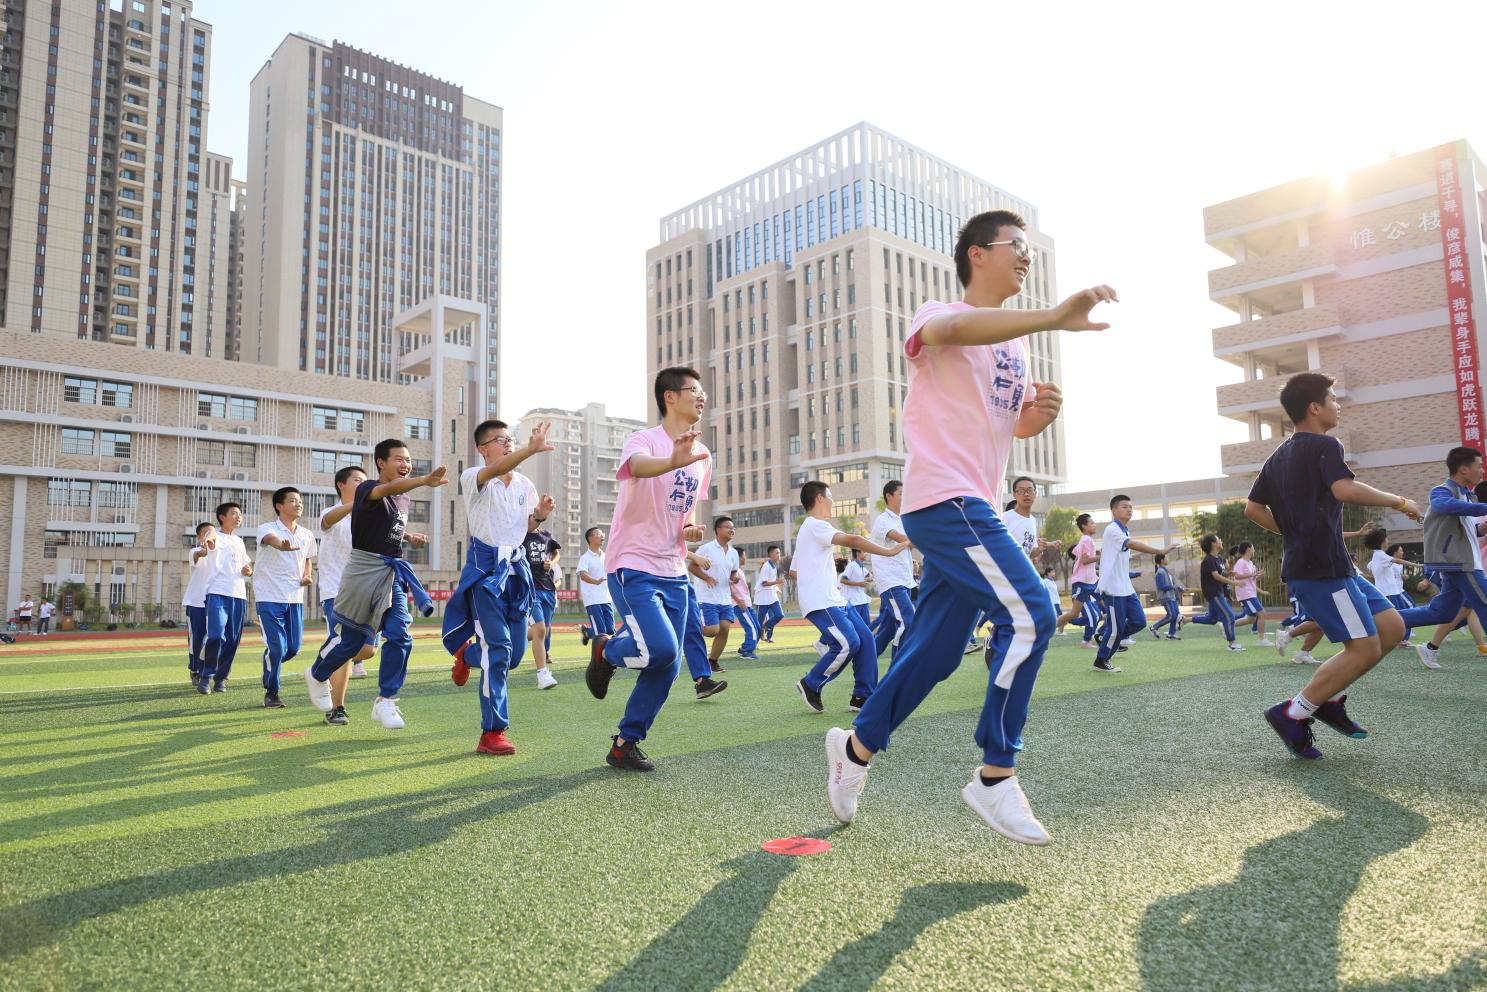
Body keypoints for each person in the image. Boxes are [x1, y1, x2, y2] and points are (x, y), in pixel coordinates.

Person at [824, 209, 1114, 845]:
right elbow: (955, 327)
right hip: (945, 502)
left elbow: (998, 428)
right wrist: (1053, 316)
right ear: (978, 254)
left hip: (968, 501)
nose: (1026, 258)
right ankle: (994, 776)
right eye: (1017, 247)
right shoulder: (936, 313)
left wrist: (1034, 418)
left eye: (1030, 250)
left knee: (934, 651)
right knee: (1034, 614)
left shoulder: (1014, 344)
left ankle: (856, 746)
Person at [1245, 372, 1420, 759]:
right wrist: (1398, 500)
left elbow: (1252, 509)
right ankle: (1295, 711)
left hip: (1337, 567)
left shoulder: (1277, 457)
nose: (1337, 405)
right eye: (1333, 399)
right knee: (1363, 649)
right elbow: (1344, 489)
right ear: (1314, 407)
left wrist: (1290, 531)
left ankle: (1329, 699)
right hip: (1321, 570)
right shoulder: (1326, 444)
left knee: (1392, 627)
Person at [584, 367, 714, 771]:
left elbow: (684, 512)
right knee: (659, 650)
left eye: (702, 391)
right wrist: (671, 459)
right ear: (669, 397)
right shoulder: (644, 440)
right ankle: (606, 648)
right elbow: (638, 467)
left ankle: (625, 743)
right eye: (694, 390)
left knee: (668, 664)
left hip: (674, 569)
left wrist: (689, 530)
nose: (702, 397)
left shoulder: (703, 455)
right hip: (633, 564)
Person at [305, 439, 444, 729]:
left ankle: (386, 701)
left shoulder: (402, 499)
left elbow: (389, 523)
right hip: (362, 571)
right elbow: (388, 490)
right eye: (398, 459)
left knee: (401, 634)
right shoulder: (368, 488)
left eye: (408, 460)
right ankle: (317, 673)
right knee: (352, 641)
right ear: (381, 462)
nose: (405, 464)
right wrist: (423, 481)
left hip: (390, 572)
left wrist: (408, 536)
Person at [443, 419, 553, 753]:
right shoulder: (473, 477)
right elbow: (499, 468)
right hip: (486, 573)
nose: (508, 444)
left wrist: (541, 515)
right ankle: (492, 732)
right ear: (483, 447)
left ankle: (466, 653)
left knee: (514, 655)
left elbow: (528, 523)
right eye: (501, 439)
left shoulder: (524, 484)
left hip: (517, 573)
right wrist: (528, 449)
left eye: (511, 439)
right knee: (500, 650)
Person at [794, 482, 908, 714]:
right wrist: (889, 551)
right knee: (848, 643)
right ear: (819, 498)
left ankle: (862, 697)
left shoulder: (812, 531)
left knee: (866, 639)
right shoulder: (815, 526)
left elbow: (795, 569)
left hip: (835, 598)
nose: (833, 501)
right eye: (831, 496)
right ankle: (811, 683)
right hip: (821, 601)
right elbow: (854, 540)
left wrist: (820, 568)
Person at [1398, 446, 1487, 669]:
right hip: (1462, 563)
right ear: (1464, 469)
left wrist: (1481, 529)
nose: (1482, 470)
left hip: (1460, 563)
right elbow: (1441, 505)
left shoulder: (1466, 495)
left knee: (1442, 612)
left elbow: (1464, 530)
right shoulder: (1442, 491)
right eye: (1479, 466)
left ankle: (1381, 618)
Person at [1091, 495, 1181, 673]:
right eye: (1124, 507)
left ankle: (1105, 637)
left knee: (1139, 621)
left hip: (1125, 588)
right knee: (1115, 630)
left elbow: (1125, 550)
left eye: (1131, 507)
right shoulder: (1112, 530)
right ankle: (1101, 661)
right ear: (1114, 510)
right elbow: (1131, 544)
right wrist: (1159, 550)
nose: (1129, 509)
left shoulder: (1124, 530)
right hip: (1113, 589)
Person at [318, 467, 376, 720]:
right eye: (358, 481)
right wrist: (357, 504)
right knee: (344, 646)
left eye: (366, 482)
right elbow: (327, 521)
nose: (363, 484)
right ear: (341, 484)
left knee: (367, 650)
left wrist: (408, 536)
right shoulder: (332, 513)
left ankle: (325, 659)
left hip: (367, 591)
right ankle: (336, 708)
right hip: (337, 591)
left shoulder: (371, 516)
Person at [253, 487, 318, 709]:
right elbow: (271, 540)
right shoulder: (267, 528)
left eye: (300, 501)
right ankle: (272, 693)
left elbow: (308, 558)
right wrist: (282, 545)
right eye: (292, 501)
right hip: (269, 595)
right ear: (279, 506)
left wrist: (307, 574)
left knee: (293, 648)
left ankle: (269, 660)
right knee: (278, 648)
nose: (298, 504)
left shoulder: (307, 534)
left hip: (294, 597)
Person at [198, 502, 253, 694]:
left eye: (240, 514)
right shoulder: (216, 536)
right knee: (215, 635)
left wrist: (248, 570)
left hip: (238, 595)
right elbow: (210, 536)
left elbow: (246, 566)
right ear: (222, 517)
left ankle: (221, 678)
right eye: (234, 513)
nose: (239, 517)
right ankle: (206, 675)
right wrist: (209, 536)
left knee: (232, 640)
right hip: (218, 593)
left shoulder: (239, 541)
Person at [869, 481, 917, 662]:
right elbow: (904, 539)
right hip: (892, 582)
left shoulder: (903, 520)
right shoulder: (883, 520)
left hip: (905, 580)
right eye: (901, 494)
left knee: (887, 631)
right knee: (909, 622)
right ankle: (897, 666)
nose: (905, 498)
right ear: (889, 496)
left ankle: (865, 664)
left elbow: (909, 544)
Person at [690, 516, 740, 672]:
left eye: (733, 528)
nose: (731, 530)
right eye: (727, 527)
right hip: (707, 597)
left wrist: (734, 578)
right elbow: (692, 566)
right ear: (718, 530)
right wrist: (707, 578)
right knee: (712, 631)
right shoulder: (707, 548)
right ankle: (688, 627)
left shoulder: (733, 553)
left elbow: (733, 572)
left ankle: (712, 662)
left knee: (724, 628)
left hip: (725, 598)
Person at [523, 512, 563, 690]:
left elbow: (556, 554)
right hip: (530, 589)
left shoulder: (546, 535)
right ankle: (543, 674)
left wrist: (552, 563)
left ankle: (511, 639)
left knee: (543, 630)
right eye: (531, 515)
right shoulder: (520, 534)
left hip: (548, 588)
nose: (533, 518)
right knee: (539, 629)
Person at [1187, 534, 1244, 651]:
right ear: (1214, 544)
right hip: (1213, 593)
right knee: (1229, 615)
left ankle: (1185, 620)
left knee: (1212, 619)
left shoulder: (1217, 559)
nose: (1221, 540)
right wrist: (1234, 583)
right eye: (1219, 539)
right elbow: (1216, 576)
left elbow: (1219, 574)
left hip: (1218, 592)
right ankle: (1232, 644)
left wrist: (1229, 574)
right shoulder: (1208, 560)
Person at [1362, 528, 1415, 647]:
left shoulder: (1378, 556)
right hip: (1389, 592)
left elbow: (1370, 566)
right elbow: (1396, 560)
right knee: (1403, 615)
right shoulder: (1380, 555)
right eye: (1386, 538)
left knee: (1402, 615)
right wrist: (1416, 565)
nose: (1387, 540)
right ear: (1382, 541)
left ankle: (1400, 640)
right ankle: (1401, 641)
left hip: (1390, 592)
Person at [1057, 513, 1102, 648]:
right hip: (1083, 583)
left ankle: (1096, 638)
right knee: (1074, 613)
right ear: (1084, 526)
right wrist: (1100, 556)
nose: (1094, 525)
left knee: (1103, 603)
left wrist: (1097, 555)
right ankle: (1045, 628)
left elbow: (1078, 556)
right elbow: (1085, 560)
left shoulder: (1085, 540)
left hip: (1090, 582)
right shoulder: (1087, 540)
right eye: (1092, 523)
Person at [182, 522, 214, 687]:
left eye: (213, 533)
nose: (210, 535)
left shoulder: (220, 553)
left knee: (215, 638)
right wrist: (206, 546)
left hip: (215, 602)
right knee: (197, 639)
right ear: (199, 536)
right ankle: (195, 669)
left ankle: (210, 670)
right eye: (207, 532)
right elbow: (201, 553)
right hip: (196, 602)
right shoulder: (195, 551)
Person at [1230, 542, 1273, 646]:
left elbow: (1250, 578)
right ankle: (1262, 640)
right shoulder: (1241, 562)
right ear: (1248, 549)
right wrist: (1253, 574)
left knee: (1251, 619)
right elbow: (1237, 576)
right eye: (1253, 548)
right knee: (1262, 614)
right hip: (1246, 594)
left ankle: (1226, 626)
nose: (1254, 550)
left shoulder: (1250, 563)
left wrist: (1257, 576)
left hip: (1251, 593)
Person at [577, 527, 615, 646]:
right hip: (593, 599)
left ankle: (587, 632)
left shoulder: (606, 556)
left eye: (602, 534)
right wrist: (595, 581)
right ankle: (600, 660)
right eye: (599, 534)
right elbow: (582, 575)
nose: (602, 536)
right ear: (590, 538)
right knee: (601, 632)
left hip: (606, 597)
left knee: (610, 630)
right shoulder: (585, 558)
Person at [731, 550, 761, 660]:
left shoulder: (740, 570)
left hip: (747, 603)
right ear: (738, 558)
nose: (745, 558)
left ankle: (744, 648)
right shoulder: (732, 571)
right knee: (751, 627)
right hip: (739, 604)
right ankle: (747, 651)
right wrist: (738, 601)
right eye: (744, 556)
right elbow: (727, 587)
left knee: (757, 627)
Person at [753, 545, 786, 642]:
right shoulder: (766, 566)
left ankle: (765, 628)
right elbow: (764, 583)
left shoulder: (774, 566)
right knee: (759, 621)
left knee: (779, 615)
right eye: (777, 553)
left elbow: (770, 581)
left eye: (779, 553)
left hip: (772, 596)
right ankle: (752, 643)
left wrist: (776, 587)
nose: (779, 555)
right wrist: (777, 582)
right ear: (771, 554)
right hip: (763, 597)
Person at [1149, 553, 1182, 640]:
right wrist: (1173, 587)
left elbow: (1170, 584)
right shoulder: (1160, 572)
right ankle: (1154, 627)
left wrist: (1178, 588)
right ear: (1162, 560)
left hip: (1171, 596)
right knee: (1171, 616)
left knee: (1175, 615)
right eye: (1166, 557)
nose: (1168, 559)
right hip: (1165, 597)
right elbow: (1161, 586)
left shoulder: (1165, 570)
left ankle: (1171, 634)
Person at [840, 548, 874, 630]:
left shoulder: (862, 566)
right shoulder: (852, 565)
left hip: (863, 601)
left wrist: (867, 580)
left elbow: (869, 577)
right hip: (854, 602)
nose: (866, 553)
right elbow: (842, 580)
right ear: (858, 553)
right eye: (864, 551)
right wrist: (859, 583)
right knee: (856, 627)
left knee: (866, 627)